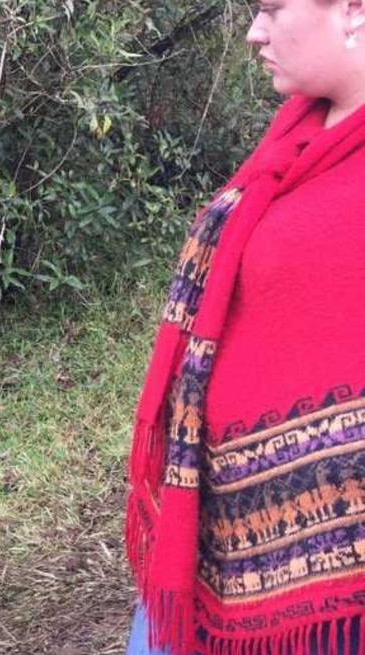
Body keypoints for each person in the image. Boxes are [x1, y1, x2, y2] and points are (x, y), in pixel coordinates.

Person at [124, 1, 365, 654]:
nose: (256, 32)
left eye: (273, 9)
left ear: (352, 11)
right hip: (219, 529)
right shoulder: (296, 134)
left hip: (329, 579)